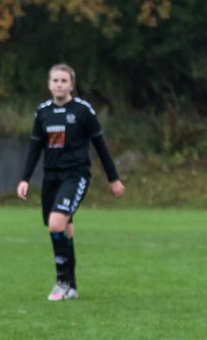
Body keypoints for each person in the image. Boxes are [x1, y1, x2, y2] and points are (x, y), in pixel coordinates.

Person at [16, 64, 126, 301]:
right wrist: (25, 178)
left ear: (72, 85)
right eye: (55, 80)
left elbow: (100, 146)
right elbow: (35, 148)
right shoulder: (42, 112)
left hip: (75, 176)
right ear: (49, 84)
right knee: (64, 229)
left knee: (55, 224)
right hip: (51, 177)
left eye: (64, 80)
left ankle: (62, 282)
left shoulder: (83, 111)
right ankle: (73, 287)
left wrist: (113, 178)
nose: (59, 84)